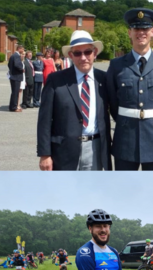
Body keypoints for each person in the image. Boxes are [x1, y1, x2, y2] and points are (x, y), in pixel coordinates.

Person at [107, 8, 153, 171]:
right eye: (136, 29)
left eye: (145, 29)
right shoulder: (116, 65)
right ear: (129, 32)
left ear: (152, 32)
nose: (141, 33)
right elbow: (112, 101)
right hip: (125, 137)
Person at [37, 30, 112, 171]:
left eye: (87, 52)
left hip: (96, 148)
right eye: (77, 53)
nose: (83, 57)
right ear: (71, 55)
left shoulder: (104, 79)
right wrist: (44, 154)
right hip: (64, 151)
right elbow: (44, 120)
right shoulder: (56, 80)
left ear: (95, 53)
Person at [8, 44, 25, 112]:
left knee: (14, 92)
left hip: (13, 76)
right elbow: (17, 65)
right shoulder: (16, 56)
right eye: (23, 49)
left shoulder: (13, 55)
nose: (23, 51)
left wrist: (12, 70)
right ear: (19, 49)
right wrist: (22, 69)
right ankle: (14, 107)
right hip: (16, 76)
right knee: (15, 93)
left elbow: (9, 65)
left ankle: (12, 106)